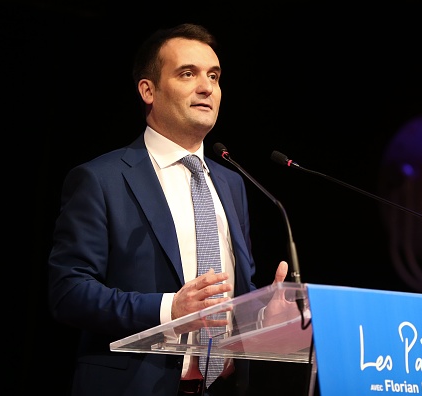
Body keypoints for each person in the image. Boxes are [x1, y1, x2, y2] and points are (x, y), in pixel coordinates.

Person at [47, 23, 292, 396]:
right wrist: (169, 310)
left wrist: (262, 315)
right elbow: (69, 292)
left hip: (223, 387)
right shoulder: (101, 179)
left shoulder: (232, 183)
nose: (207, 87)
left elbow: (231, 296)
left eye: (214, 75)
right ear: (148, 90)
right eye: (187, 73)